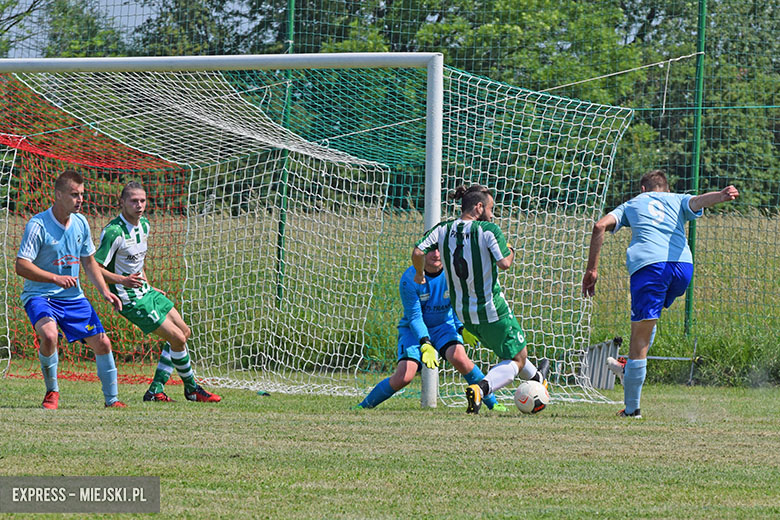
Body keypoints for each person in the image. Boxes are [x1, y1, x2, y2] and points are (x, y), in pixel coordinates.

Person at [582, 169, 739, 418]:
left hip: (650, 269)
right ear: (666, 189)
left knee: (639, 339)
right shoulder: (676, 199)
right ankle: (628, 368)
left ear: (643, 189)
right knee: (650, 320)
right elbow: (698, 201)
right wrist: (720, 195)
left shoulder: (633, 203)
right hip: (683, 269)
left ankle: (632, 410)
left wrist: (592, 269)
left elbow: (599, 226)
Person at [413, 184, 549, 414]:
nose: (492, 213)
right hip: (491, 308)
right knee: (517, 358)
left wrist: (419, 273)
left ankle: (539, 379)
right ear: (479, 207)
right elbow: (505, 263)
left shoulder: (442, 229)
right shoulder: (487, 229)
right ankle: (481, 389)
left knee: (513, 351)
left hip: (463, 313)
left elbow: (418, 252)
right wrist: (510, 248)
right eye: (491, 208)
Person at [95, 181, 221, 403]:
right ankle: (192, 389)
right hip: (129, 298)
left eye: (142, 200)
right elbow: (94, 268)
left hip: (145, 291)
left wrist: (148, 284)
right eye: (134, 201)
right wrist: (122, 280)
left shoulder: (145, 225)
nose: (139, 205)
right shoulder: (114, 232)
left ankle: (155, 390)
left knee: (184, 332)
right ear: (122, 203)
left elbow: (137, 263)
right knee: (177, 338)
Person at [16, 169, 127, 409]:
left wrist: (105, 291)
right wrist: (54, 278)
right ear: (58, 195)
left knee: (103, 344)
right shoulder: (38, 225)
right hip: (40, 295)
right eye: (74, 194)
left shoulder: (81, 222)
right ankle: (52, 392)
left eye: (82, 194)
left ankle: (112, 400)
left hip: (72, 298)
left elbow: (89, 261)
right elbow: (21, 265)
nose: (80, 200)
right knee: (49, 335)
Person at [354, 249, 506, 411]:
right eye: (430, 250)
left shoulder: (453, 274)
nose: (436, 254)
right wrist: (425, 342)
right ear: (421, 254)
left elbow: (457, 305)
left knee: (460, 358)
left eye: (439, 248)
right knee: (404, 376)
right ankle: (363, 407)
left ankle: (492, 403)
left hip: (443, 326)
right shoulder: (409, 279)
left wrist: (462, 328)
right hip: (413, 331)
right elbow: (414, 317)